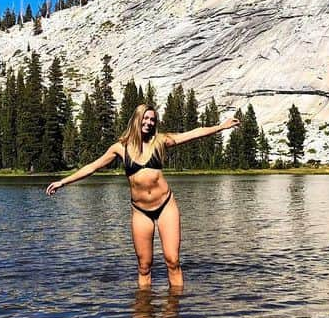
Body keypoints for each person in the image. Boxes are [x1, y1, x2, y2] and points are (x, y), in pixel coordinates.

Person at [46, 103, 240, 288]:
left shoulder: (160, 141)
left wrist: (221, 127)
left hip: (166, 206)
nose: (149, 123)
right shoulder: (120, 148)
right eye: (145, 119)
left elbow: (192, 134)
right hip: (140, 211)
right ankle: (143, 316)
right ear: (136, 120)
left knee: (172, 260)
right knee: (144, 266)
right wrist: (63, 182)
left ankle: (174, 313)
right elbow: (92, 167)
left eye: (152, 119)